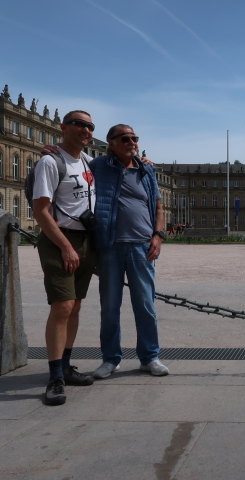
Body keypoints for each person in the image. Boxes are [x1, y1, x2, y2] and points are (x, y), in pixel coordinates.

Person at [90, 124, 169, 379]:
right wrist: (54, 150)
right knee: (110, 307)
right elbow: (68, 166)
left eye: (134, 138)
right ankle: (111, 359)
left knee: (145, 305)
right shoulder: (96, 166)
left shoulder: (146, 170)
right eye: (125, 138)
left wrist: (157, 236)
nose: (131, 142)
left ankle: (149, 357)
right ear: (110, 142)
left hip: (141, 246)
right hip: (110, 246)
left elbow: (158, 207)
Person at [32, 110, 97, 406]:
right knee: (62, 306)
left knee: (75, 307)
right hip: (61, 239)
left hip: (85, 239)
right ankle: (55, 376)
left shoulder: (88, 162)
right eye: (79, 124)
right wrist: (65, 247)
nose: (85, 130)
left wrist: (143, 162)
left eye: (89, 126)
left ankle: (66, 367)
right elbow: (41, 211)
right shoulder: (50, 161)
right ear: (63, 127)